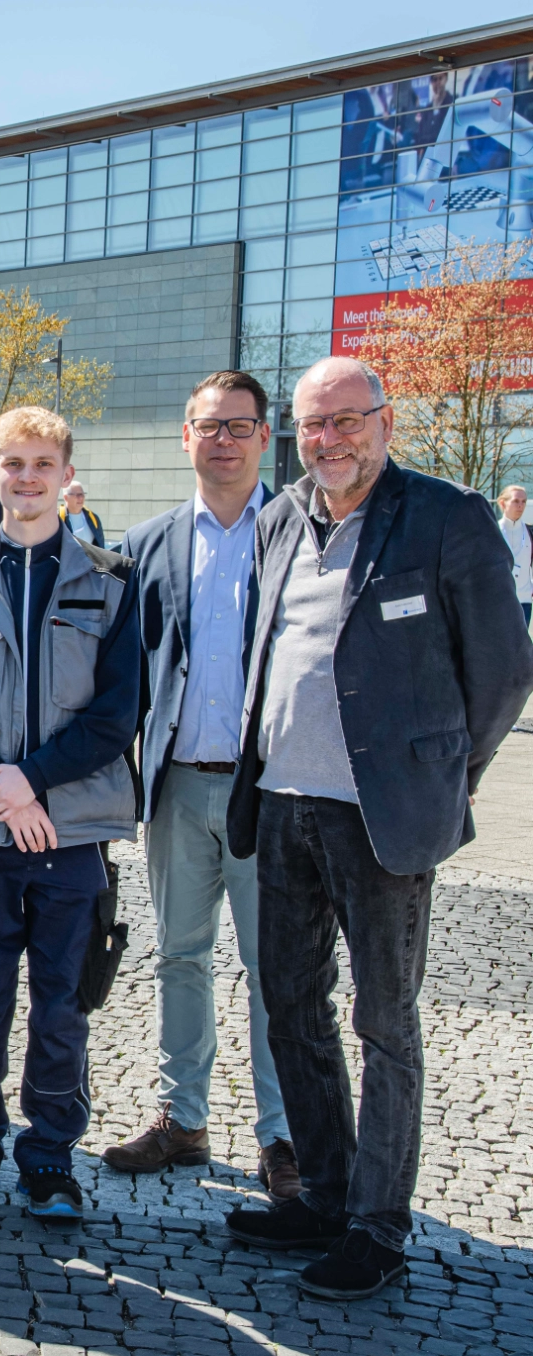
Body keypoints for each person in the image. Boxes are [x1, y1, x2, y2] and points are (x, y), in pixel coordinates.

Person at [222, 357, 533, 1300]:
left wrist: (441, 775)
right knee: (290, 1006)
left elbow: (504, 672)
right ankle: (321, 1191)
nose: (329, 439)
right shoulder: (281, 517)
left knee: (383, 1021)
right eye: (313, 425)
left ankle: (378, 1225)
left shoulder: (445, 516)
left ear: (384, 421)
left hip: (380, 818)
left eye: (347, 420)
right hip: (283, 803)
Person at [0, 406, 141, 1221]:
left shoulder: (111, 580)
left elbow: (117, 713)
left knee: (62, 1004)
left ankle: (50, 1156)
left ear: (64, 472)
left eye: (43, 463)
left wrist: (32, 782)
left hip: (73, 833)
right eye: (13, 463)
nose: (28, 478)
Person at [105, 372, 295, 1195]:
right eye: (208, 426)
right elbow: (119, 673)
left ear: (264, 436)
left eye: (239, 426)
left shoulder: (297, 530)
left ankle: (284, 1138)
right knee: (179, 954)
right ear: (185, 436)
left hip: (271, 789)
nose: (223, 439)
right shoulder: (147, 543)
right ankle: (182, 1119)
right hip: (177, 784)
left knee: (275, 969)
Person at [499, 485, 530, 628]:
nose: (520, 505)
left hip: (524, 601)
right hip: (499, 600)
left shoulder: (530, 532)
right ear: (502, 503)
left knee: (522, 649)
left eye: (524, 501)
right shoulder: (492, 531)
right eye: (516, 501)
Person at [61, 481, 105, 547]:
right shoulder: (57, 519)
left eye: (82, 494)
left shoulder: (93, 518)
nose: (81, 498)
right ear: (66, 497)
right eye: (77, 495)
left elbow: (101, 548)